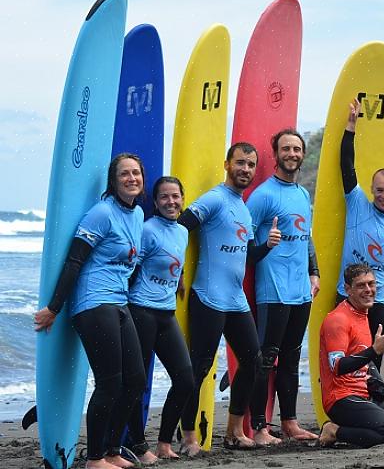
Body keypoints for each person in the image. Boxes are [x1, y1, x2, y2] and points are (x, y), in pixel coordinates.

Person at [34, 153, 147, 469]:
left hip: (118, 302)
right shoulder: (101, 213)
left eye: (136, 173)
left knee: (135, 380)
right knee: (110, 382)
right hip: (93, 303)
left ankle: (112, 450)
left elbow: (131, 265)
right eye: (124, 174)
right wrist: (54, 308)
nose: (131, 178)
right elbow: (75, 261)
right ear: (114, 180)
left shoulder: (137, 215)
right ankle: (95, 458)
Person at [177, 142, 280, 452]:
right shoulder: (214, 199)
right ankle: (188, 438)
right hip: (208, 296)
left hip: (235, 299)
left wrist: (268, 246)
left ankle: (235, 432)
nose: (245, 169)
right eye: (240, 163)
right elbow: (182, 226)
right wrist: (177, 267)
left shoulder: (243, 208)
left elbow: (248, 255)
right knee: (200, 368)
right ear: (227, 164)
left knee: (252, 361)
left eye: (250, 165)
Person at [245, 129, 320, 444]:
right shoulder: (263, 195)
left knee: (291, 360)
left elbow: (307, 238)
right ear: (275, 154)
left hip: (301, 291)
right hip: (273, 291)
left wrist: (314, 272)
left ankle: (289, 422)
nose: (292, 153)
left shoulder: (302, 194)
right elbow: (243, 239)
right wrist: (264, 245)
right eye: (286, 148)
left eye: (297, 149)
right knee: (266, 359)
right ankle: (260, 427)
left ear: (302, 154)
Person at [124, 176, 193, 462]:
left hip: (166, 314)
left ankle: (164, 442)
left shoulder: (182, 232)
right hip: (141, 311)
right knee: (136, 382)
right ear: (155, 202)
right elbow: (130, 269)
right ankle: (138, 445)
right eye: (164, 197)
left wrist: (179, 281)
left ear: (182, 199)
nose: (171, 201)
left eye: (175, 196)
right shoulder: (147, 230)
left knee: (185, 379)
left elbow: (174, 262)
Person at [337, 98, 384, 369]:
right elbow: (346, 164)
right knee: (346, 350)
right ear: (372, 189)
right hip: (347, 294)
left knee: (375, 356)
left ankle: (372, 402)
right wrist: (351, 127)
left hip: (378, 299)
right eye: (380, 190)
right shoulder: (356, 203)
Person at [318, 263, 384, 448]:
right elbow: (337, 366)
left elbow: (365, 363)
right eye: (361, 285)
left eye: (371, 284)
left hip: (363, 394)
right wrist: (374, 351)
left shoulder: (362, 314)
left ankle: (352, 427)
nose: (368, 290)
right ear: (347, 289)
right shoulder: (337, 320)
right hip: (341, 399)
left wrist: (383, 390)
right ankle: (333, 431)